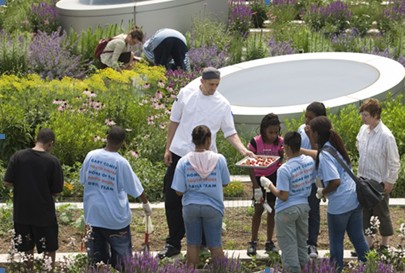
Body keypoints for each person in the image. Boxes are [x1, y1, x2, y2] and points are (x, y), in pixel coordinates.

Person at [159, 66, 254, 259]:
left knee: (204, 198)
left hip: (208, 158)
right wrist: (168, 148)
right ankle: (174, 242)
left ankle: (201, 242)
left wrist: (243, 150)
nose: (213, 88)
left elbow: (230, 132)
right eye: (211, 84)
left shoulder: (222, 103)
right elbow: (174, 121)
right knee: (172, 198)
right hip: (180, 154)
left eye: (217, 85)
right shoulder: (186, 93)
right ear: (201, 81)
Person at [79, 126, 152, 269]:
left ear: (107, 138)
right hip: (115, 220)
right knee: (122, 262)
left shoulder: (91, 156)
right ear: (122, 143)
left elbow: (83, 180)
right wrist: (146, 204)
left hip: (93, 216)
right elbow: (136, 188)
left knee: (97, 262)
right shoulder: (121, 162)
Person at [309, 116, 369, 272]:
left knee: (336, 242)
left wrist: (323, 192)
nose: (309, 134)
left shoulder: (324, 154)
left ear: (316, 133)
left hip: (340, 205)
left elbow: (335, 181)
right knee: (358, 239)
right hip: (354, 200)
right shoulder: (335, 146)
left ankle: (336, 270)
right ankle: (370, 267)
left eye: (310, 131)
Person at [3, 128, 63, 272]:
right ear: (50, 143)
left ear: (36, 139)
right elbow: (56, 191)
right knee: (49, 248)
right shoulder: (53, 162)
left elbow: (7, 182)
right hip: (44, 214)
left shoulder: (18, 157)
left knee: (26, 247)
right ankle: (47, 271)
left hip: (22, 213)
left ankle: (28, 271)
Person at [171, 125, 230, 268]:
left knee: (192, 244)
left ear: (193, 140)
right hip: (213, 207)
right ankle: (221, 271)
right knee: (215, 245)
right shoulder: (219, 159)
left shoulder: (184, 161)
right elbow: (226, 182)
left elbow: (178, 191)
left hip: (190, 207)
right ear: (208, 140)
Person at [260, 131, 315, 273]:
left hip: (286, 210)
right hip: (303, 207)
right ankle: (304, 269)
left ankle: (292, 270)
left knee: (288, 245)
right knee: (301, 243)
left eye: (284, 146)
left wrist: (269, 185)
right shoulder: (309, 161)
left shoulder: (284, 169)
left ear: (288, 147)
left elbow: (283, 195)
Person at [356, 98, 400, 251]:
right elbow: (358, 147)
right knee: (365, 214)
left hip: (378, 182)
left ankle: (385, 244)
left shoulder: (386, 136)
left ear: (375, 116)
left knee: (382, 213)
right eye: (363, 114)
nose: (363, 117)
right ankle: (367, 244)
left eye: (366, 115)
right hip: (363, 179)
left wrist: (390, 181)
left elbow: (394, 161)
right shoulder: (363, 130)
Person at [246, 113, 284, 256]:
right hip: (258, 178)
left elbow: (281, 159)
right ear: (263, 130)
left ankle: (269, 241)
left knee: (272, 210)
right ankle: (253, 241)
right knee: (258, 210)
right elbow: (249, 164)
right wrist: (255, 185)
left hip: (273, 178)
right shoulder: (256, 142)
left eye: (276, 132)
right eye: (270, 132)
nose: (273, 135)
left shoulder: (280, 142)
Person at [297, 101, 326, 258]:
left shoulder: (325, 134)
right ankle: (300, 242)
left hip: (314, 178)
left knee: (313, 210)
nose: (307, 120)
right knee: (300, 210)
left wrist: (310, 136)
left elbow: (320, 154)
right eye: (306, 116)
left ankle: (312, 243)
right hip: (299, 177)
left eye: (311, 118)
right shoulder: (301, 129)